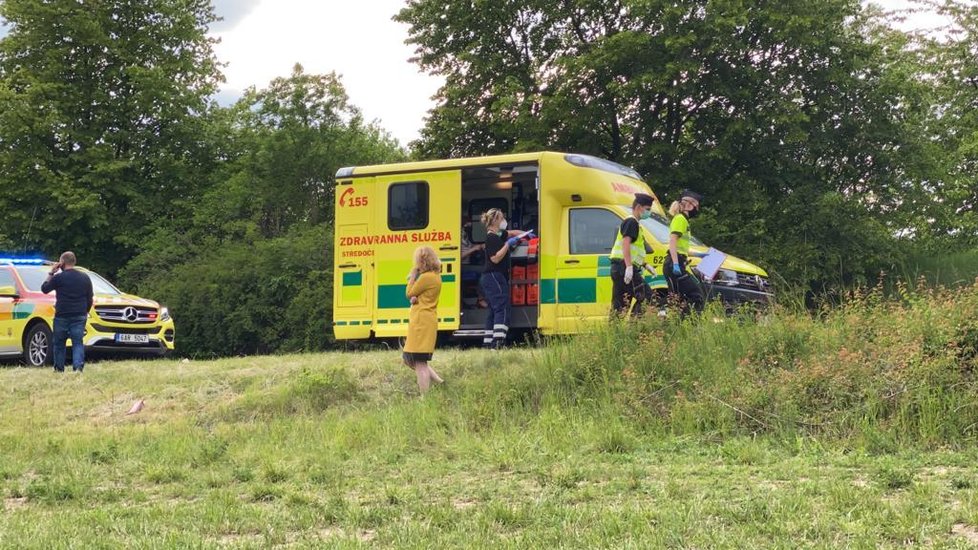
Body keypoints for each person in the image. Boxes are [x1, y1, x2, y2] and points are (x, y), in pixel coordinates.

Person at [41, 251, 93, 373]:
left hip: (62, 315)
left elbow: (44, 289)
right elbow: (89, 298)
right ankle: (78, 368)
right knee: (77, 343)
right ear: (74, 262)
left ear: (62, 263)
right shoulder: (85, 277)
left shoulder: (58, 278)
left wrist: (51, 272)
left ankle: (59, 369)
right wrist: (85, 312)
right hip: (79, 315)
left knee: (59, 343)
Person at [479, 208, 525, 349]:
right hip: (494, 276)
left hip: (491, 277)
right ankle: (498, 343)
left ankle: (488, 344)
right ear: (495, 221)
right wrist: (507, 244)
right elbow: (496, 258)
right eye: (501, 218)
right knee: (502, 309)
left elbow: (511, 233)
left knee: (493, 310)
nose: (503, 221)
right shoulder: (492, 238)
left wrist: (525, 235)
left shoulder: (498, 234)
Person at [403, 246, 444, 393]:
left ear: (422, 261)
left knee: (419, 362)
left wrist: (413, 276)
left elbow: (409, 293)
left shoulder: (427, 277)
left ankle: (424, 399)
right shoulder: (435, 276)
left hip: (421, 322)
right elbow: (420, 295)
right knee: (410, 358)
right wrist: (417, 298)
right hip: (426, 320)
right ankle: (440, 383)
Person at [609, 193, 655, 317]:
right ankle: (634, 327)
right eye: (648, 209)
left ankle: (617, 333)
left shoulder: (634, 224)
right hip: (624, 267)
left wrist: (645, 264)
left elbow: (635, 250)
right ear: (639, 207)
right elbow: (626, 244)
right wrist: (629, 267)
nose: (649, 213)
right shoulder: (631, 222)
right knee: (647, 297)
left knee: (620, 305)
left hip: (619, 267)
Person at [665, 189, 706, 314]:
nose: (696, 210)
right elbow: (672, 241)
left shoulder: (684, 221)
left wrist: (699, 255)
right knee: (696, 296)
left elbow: (681, 247)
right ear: (688, 205)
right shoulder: (680, 219)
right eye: (696, 206)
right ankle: (682, 324)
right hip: (674, 264)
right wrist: (676, 264)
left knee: (682, 298)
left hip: (678, 262)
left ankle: (680, 325)